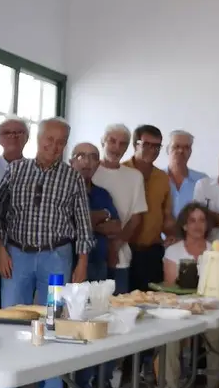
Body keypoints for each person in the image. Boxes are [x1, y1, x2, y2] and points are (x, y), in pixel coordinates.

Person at [0, 117, 93, 388]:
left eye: (61, 142)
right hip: (17, 255)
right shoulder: (16, 170)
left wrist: (82, 261)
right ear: (38, 138)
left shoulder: (72, 178)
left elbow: (83, 225)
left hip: (56, 256)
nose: (54, 146)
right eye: (49, 140)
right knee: (10, 323)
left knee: (55, 324)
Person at [161, 202, 219, 388]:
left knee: (218, 334)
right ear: (184, 225)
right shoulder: (173, 251)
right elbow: (172, 286)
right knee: (169, 338)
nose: (197, 225)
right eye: (192, 221)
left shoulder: (218, 249)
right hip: (180, 309)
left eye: (201, 220)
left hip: (210, 307)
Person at [93, 123, 146, 293]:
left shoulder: (134, 176)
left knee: (119, 310)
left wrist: (116, 245)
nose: (116, 147)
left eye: (123, 143)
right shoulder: (89, 171)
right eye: (112, 141)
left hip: (120, 257)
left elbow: (136, 217)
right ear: (103, 142)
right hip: (89, 256)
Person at [0, 116, 29, 312]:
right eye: (7, 132)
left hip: (22, 246)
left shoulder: (33, 169)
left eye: (19, 132)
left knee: (16, 306)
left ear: (27, 138)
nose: (13, 136)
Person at [125, 124, 174, 291]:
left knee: (153, 303)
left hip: (152, 252)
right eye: (146, 144)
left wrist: (176, 236)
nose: (152, 150)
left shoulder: (162, 178)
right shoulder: (122, 171)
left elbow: (166, 215)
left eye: (156, 146)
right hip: (125, 250)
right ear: (135, 144)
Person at [70, 143, 120, 282]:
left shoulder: (102, 194)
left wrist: (83, 223)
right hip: (70, 263)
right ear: (71, 162)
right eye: (81, 156)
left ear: (98, 164)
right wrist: (103, 215)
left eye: (93, 157)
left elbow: (115, 227)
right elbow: (67, 226)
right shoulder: (62, 192)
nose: (87, 162)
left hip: (99, 264)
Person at [165, 129, 206, 219]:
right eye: (176, 146)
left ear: (190, 152)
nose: (181, 151)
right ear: (167, 149)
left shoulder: (202, 181)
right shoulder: (155, 178)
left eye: (186, 147)